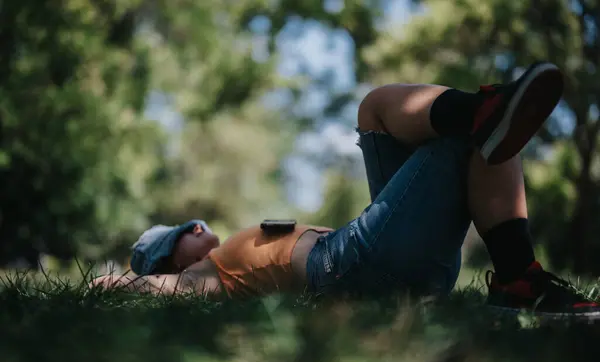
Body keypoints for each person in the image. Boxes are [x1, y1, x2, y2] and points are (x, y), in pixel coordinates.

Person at [91, 62, 600, 317]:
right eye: (181, 235)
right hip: (353, 266)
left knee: (407, 119)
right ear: (170, 262)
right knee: (398, 113)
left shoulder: (219, 260)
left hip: (380, 255)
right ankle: (518, 272)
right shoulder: (203, 277)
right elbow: (155, 289)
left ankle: (518, 273)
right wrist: (119, 285)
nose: (199, 227)